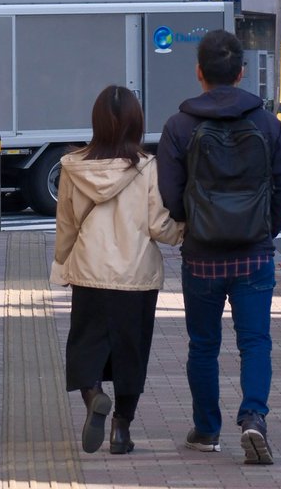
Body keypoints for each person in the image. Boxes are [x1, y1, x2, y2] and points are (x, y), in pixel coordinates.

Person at [156, 30, 281, 465]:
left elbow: (169, 192)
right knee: (255, 341)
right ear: (239, 73)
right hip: (254, 252)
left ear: (199, 73)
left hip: (201, 254)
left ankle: (206, 429)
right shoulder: (265, 124)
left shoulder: (179, 126)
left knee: (203, 344)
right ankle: (254, 417)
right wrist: (265, 227)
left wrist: (196, 223)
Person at [53, 85, 184, 456]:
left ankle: (94, 394)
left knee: (86, 346)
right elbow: (159, 225)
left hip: (90, 271)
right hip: (136, 276)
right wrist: (184, 234)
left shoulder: (72, 167)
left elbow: (66, 224)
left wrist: (63, 264)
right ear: (136, 124)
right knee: (131, 354)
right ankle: (121, 431)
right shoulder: (146, 167)